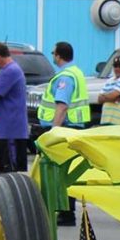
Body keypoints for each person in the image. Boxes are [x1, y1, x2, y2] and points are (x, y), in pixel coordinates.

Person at [38, 41, 90, 226]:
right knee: (66, 172)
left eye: (53, 53)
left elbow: (62, 105)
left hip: (64, 128)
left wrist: (54, 131)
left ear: (59, 55)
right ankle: (66, 212)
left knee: (58, 172)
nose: (53, 56)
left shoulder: (65, 77)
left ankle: (65, 213)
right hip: (73, 128)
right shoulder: (75, 72)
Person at [0, 42, 29, 174]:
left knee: (8, 170)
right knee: (4, 168)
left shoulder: (10, 71)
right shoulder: (12, 69)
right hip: (9, 127)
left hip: (9, 129)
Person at [97, 56, 120, 126]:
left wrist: (105, 96)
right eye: (115, 66)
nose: (117, 69)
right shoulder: (110, 80)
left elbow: (113, 95)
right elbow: (99, 99)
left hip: (119, 122)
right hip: (106, 120)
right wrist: (112, 98)